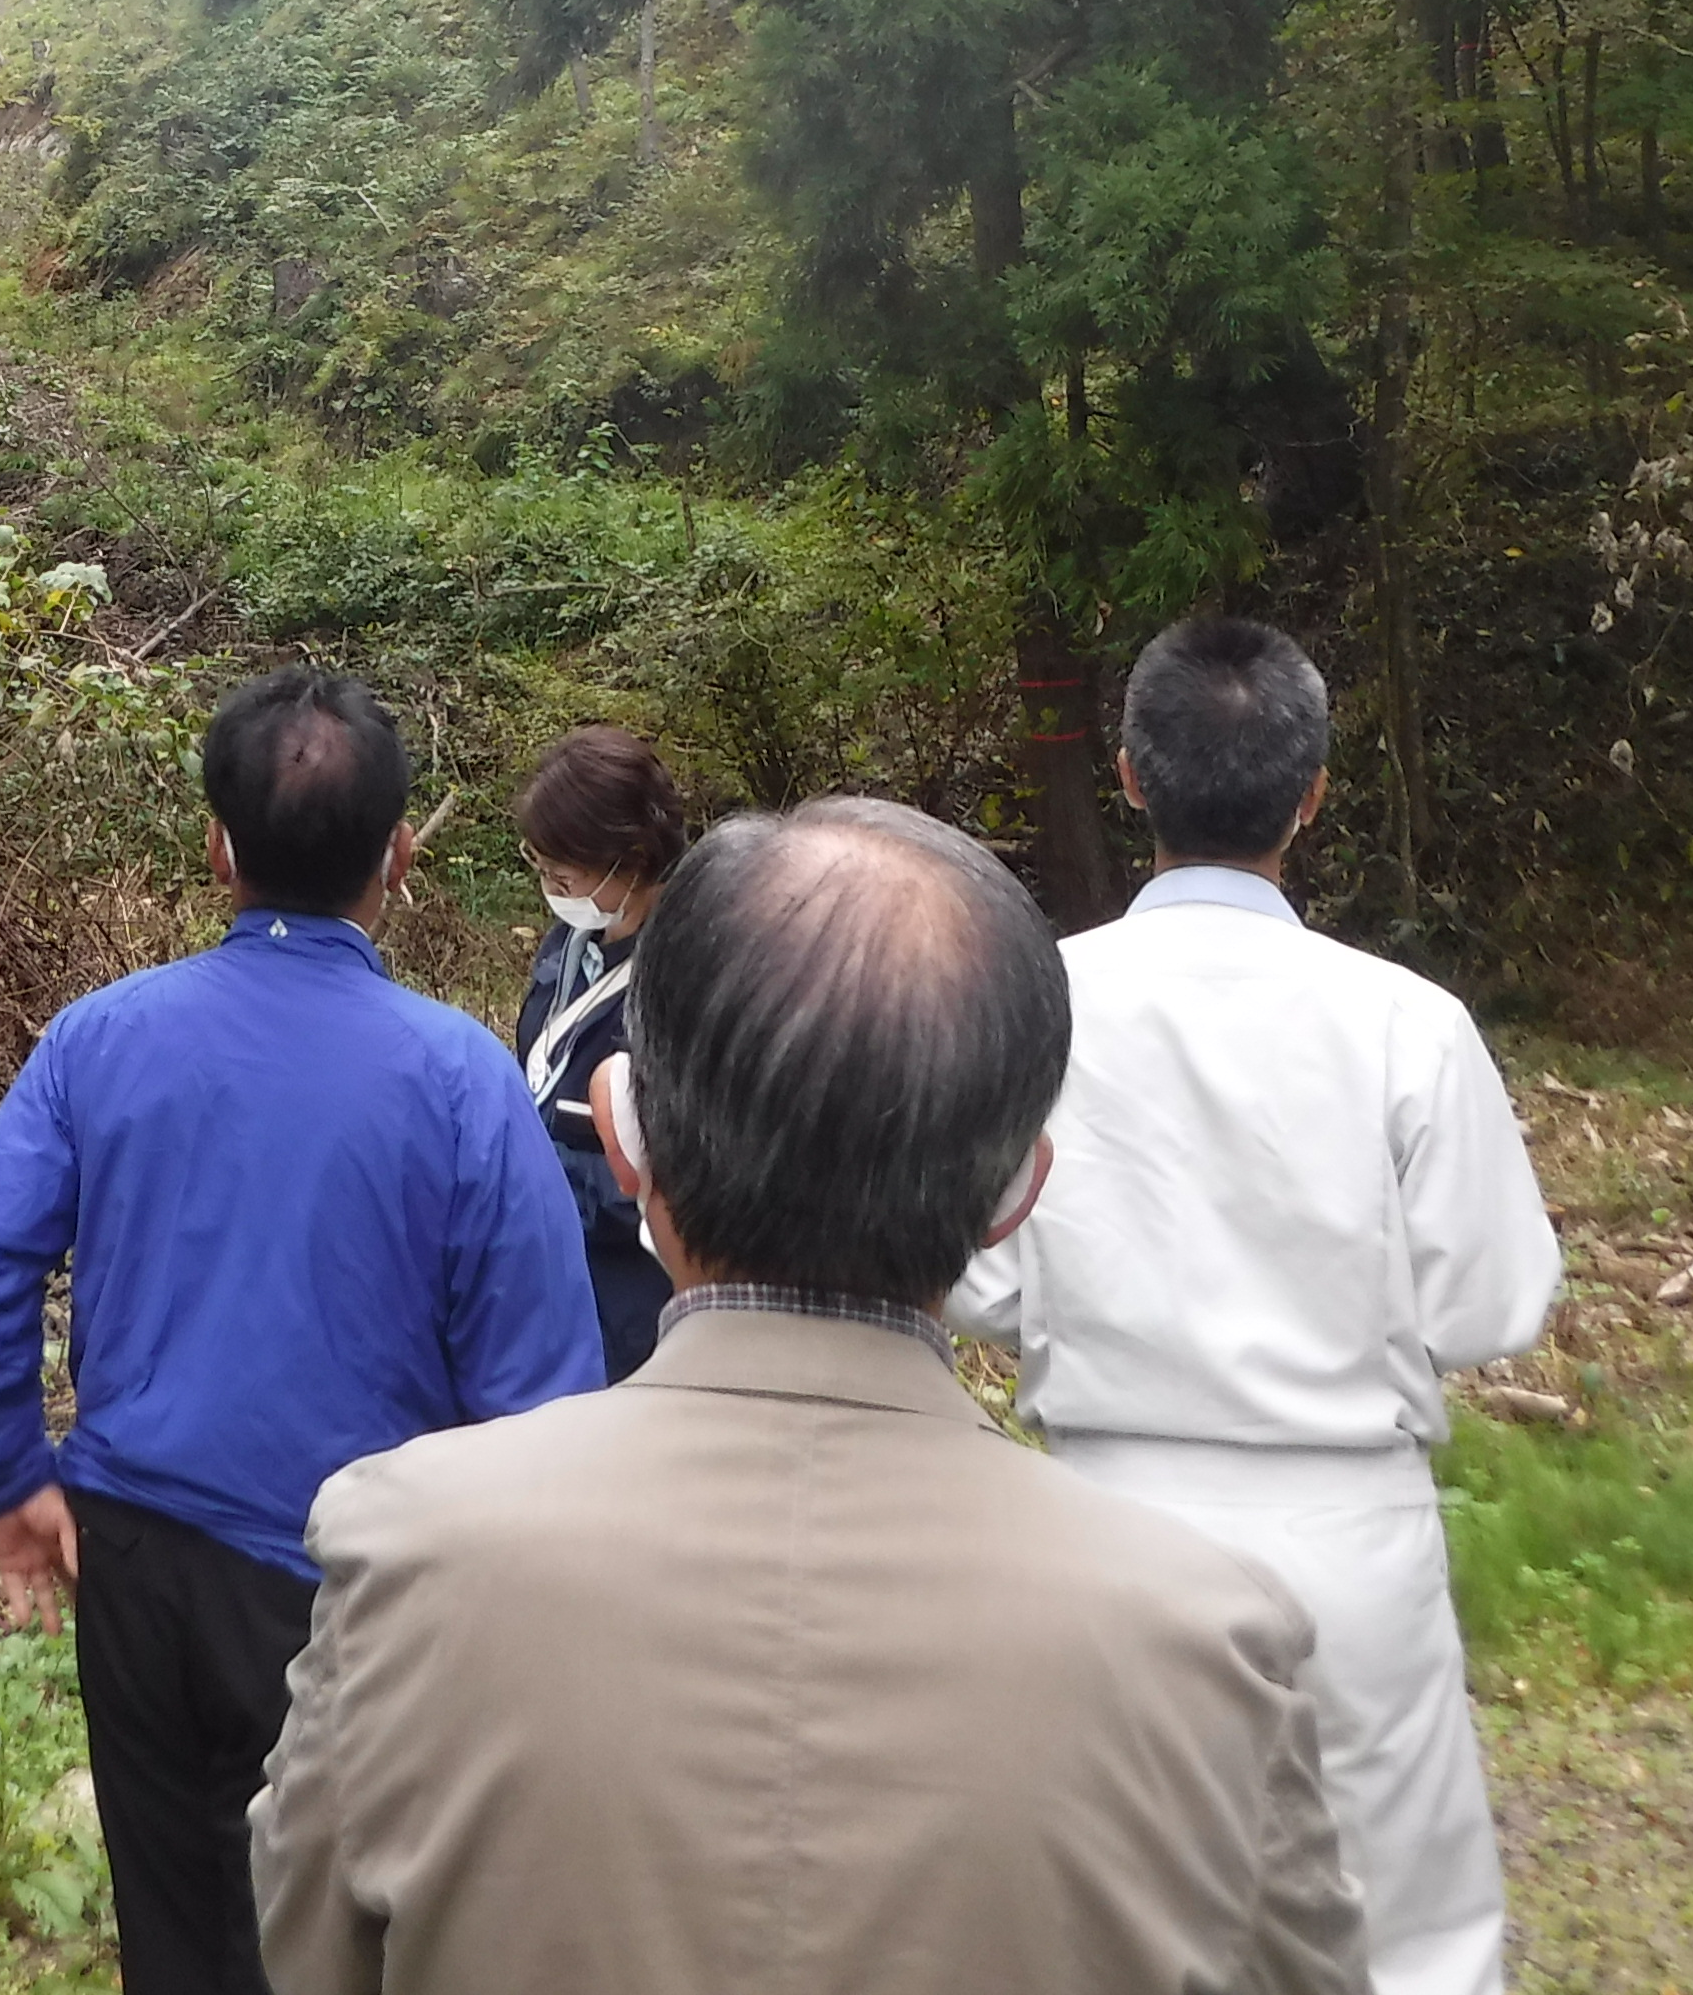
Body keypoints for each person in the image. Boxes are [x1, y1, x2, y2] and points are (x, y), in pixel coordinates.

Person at [250, 797, 1367, 1995]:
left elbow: (310, 1952)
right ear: (1013, 1199)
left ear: (629, 1145)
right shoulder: (1210, 1647)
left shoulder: (407, 1556)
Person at [0, 669, 601, 1995]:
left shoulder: (97, 1041)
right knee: (346, 1946)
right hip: (364, 1591)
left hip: (141, 1572)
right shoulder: (460, 1076)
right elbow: (540, 1400)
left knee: (174, 1932)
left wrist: (7, 1476)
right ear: (399, 854)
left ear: (215, 846)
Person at [947, 617, 1559, 1995]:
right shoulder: (1407, 1021)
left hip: (1102, 1518)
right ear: (1313, 791)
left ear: (1130, 777)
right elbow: (1492, 1304)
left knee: (1105, 1923)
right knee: (1398, 1937)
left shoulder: (1040, 1000)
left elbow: (979, 1274)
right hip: (1352, 1534)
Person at [508, 730, 705, 1379]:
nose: (551, 885)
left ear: (632, 859)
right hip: (553, 1281)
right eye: (542, 868)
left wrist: (543, 1182)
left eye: (565, 873)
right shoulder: (569, 943)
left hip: (637, 1303)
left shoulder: (693, 973)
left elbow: (689, 1175)